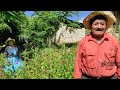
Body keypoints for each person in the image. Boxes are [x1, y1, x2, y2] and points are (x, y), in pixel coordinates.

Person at [73, 11, 120, 79]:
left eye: (102, 24)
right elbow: (78, 61)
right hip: (87, 77)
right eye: (96, 24)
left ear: (106, 26)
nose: (99, 26)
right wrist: (77, 76)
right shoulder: (83, 42)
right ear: (91, 26)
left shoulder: (113, 41)